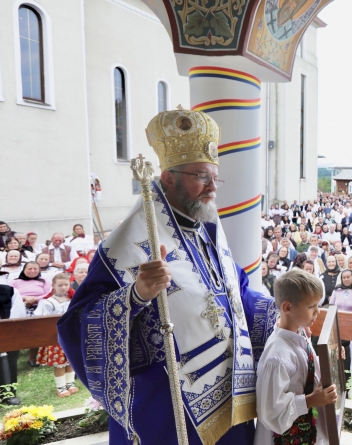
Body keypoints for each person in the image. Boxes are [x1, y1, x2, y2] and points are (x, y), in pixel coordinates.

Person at [58, 108, 278, 445]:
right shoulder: (127, 245)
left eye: (215, 178)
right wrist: (136, 295)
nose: (212, 187)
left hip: (230, 392)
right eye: (202, 176)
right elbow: (76, 327)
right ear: (168, 178)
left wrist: (279, 314)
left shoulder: (204, 230)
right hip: (166, 405)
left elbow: (236, 291)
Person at [254, 269, 337, 445]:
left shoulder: (299, 334)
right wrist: (312, 399)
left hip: (305, 429)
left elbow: (309, 369)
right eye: (311, 306)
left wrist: (330, 358)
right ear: (287, 307)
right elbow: (270, 413)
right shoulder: (277, 358)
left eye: (318, 305)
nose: (318, 312)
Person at [33, 273, 77, 398]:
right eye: (60, 285)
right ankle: (61, 387)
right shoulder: (48, 302)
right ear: (53, 286)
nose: (63, 287)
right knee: (60, 362)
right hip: (56, 336)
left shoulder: (72, 300)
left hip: (71, 334)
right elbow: (42, 320)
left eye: (66, 285)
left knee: (70, 360)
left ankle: (70, 383)